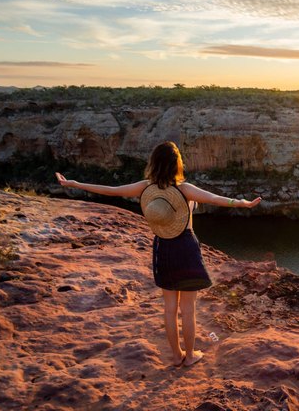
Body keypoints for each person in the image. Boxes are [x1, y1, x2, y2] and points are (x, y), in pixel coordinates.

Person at [55, 141, 261, 367]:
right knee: (188, 308)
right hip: (185, 248)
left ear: (154, 163)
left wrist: (74, 183)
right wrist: (242, 203)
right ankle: (190, 356)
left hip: (163, 246)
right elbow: (215, 199)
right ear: (176, 165)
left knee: (170, 308)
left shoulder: (144, 187)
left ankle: (176, 356)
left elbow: (110, 190)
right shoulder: (184, 189)